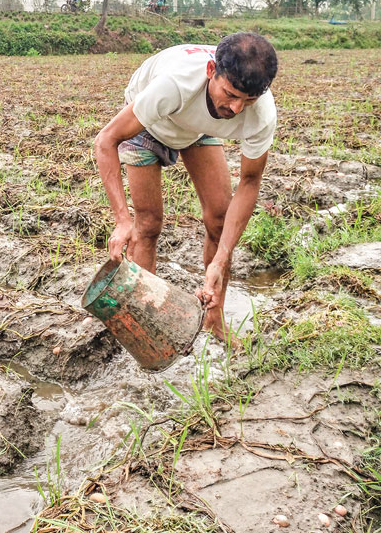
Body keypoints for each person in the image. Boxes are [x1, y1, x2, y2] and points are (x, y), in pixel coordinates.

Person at [94, 33, 278, 341]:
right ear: (210, 71)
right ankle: (144, 327)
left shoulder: (260, 114)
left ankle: (213, 319)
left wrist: (221, 258)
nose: (235, 109)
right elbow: (106, 140)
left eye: (248, 101)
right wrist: (121, 220)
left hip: (198, 128)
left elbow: (249, 182)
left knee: (220, 219)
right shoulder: (173, 84)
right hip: (149, 123)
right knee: (148, 224)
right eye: (230, 94)